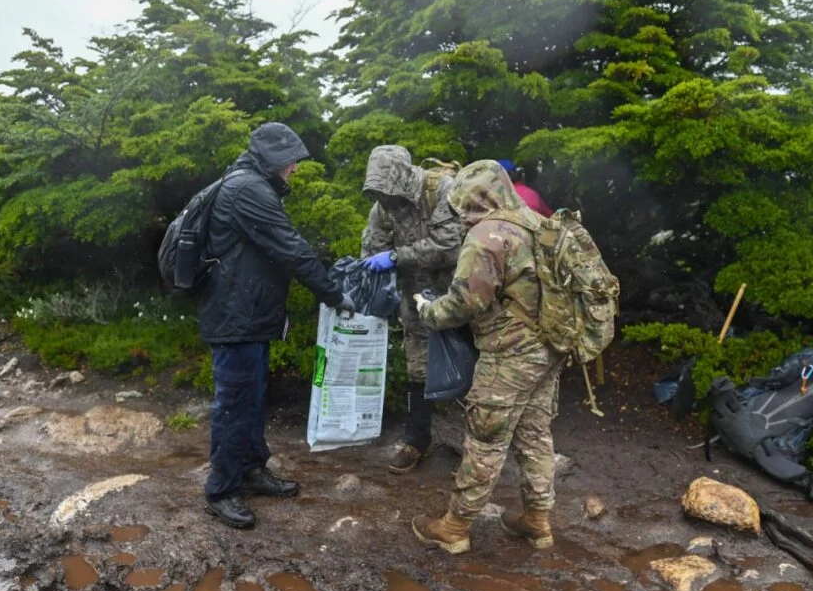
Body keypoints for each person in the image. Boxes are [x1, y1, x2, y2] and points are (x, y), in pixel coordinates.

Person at [199, 122, 355, 530]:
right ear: (272, 159)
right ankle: (221, 490)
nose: (296, 169)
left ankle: (251, 469)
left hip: (249, 314)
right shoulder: (247, 189)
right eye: (291, 161)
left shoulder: (251, 184)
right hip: (237, 317)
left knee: (251, 397)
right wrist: (334, 295)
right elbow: (291, 247)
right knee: (234, 403)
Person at [411, 159, 564, 554]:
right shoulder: (535, 223)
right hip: (548, 347)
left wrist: (428, 311)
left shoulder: (487, 235)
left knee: (485, 439)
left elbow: (466, 303)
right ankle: (538, 521)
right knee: (534, 435)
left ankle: (454, 526)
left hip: (508, 354)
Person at [358, 145, 464, 474]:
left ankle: (480, 448)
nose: (385, 200)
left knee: (473, 366)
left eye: (388, 192)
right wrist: (368, 267)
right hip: (415, 300)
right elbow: (373, 246)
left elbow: (450, 246)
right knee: (418, 369)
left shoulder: (441, 191)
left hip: (461, 299)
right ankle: (416, 440)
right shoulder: (383, 208)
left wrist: (395, 257)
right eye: (379, 193)